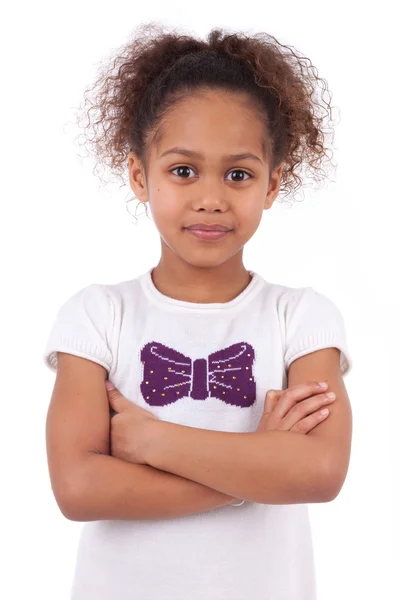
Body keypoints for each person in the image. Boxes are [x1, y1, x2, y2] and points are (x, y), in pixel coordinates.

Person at [43, 22, 353, 600]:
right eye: (183, 170)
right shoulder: (97, 315)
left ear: (272, 184)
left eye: (238, 174)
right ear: (140, 175)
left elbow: (318, 472)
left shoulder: (302, 319)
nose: (211, 196)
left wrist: (152, 443)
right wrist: (256, 470)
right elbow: (78, 487)